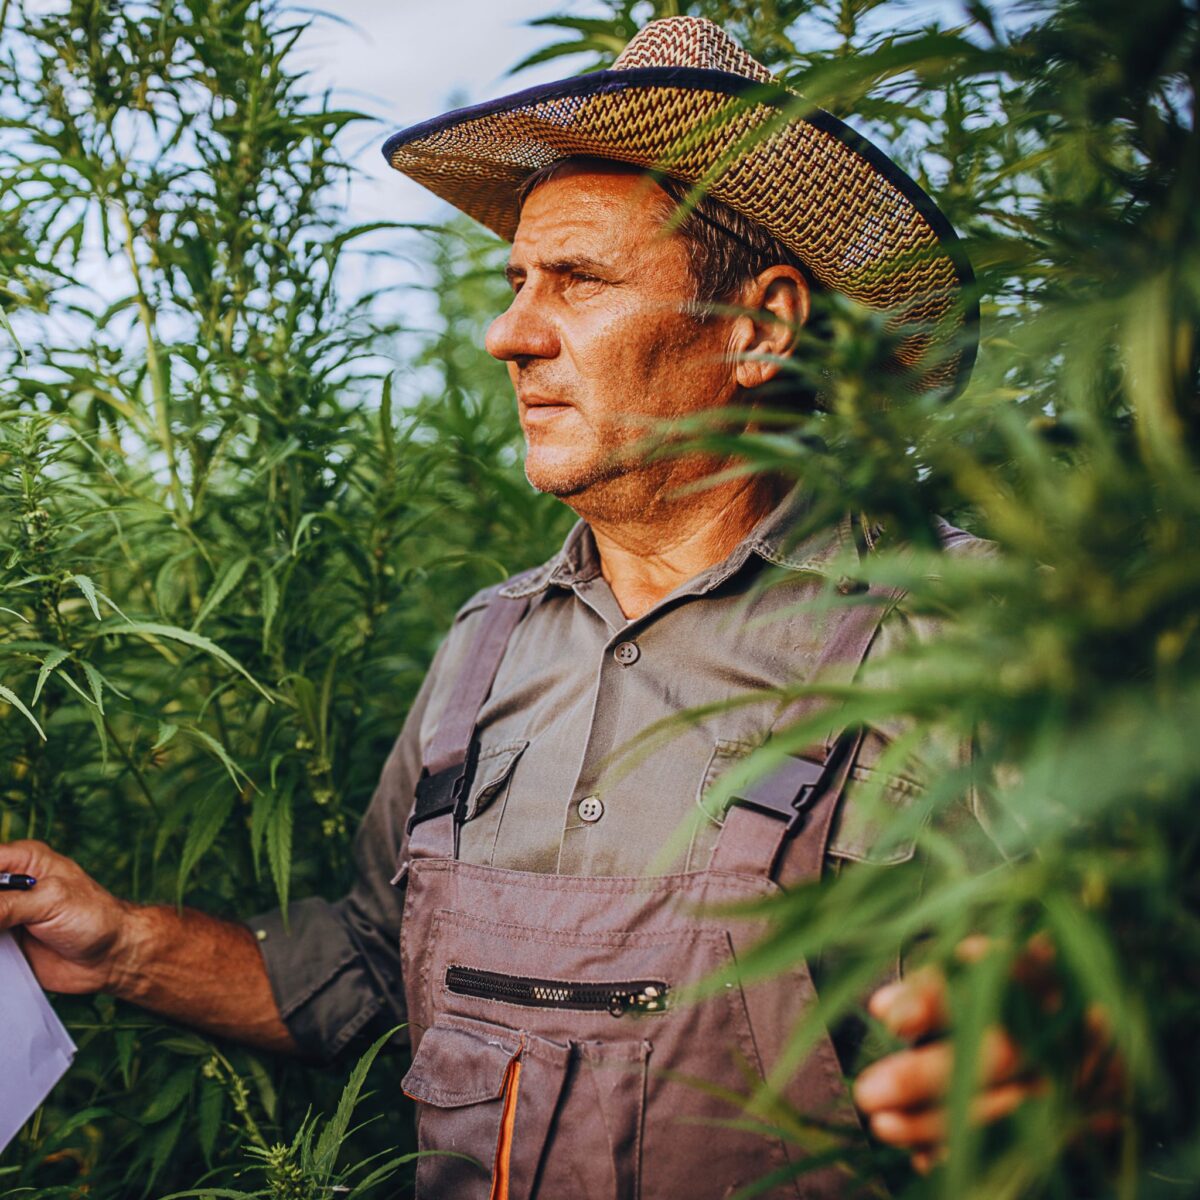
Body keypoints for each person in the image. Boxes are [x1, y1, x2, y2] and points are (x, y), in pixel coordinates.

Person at [0, 17, 1045, 1199]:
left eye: (580, 280)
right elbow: (366, 966)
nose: (509, 332)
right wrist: (125, 942)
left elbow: (1117, 1031)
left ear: (760, 327)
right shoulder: (489, 649)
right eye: (515, 282)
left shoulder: (967, 641)